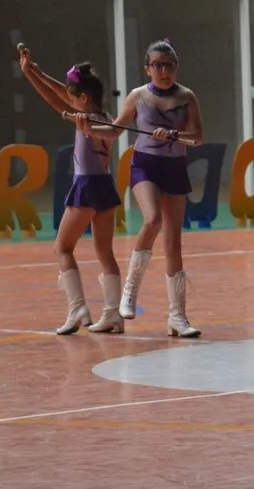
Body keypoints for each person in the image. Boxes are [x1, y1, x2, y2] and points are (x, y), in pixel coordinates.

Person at [78, 38, 203, 337]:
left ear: (176, 67)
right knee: (152, 219)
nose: (164, 71)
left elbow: (198, 137)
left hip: (175, 167)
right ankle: (130, 291)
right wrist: (88, 127)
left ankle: (177, 317)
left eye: (169, 65)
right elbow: (115, 130)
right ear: (147, 69)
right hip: (145, 165)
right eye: (157, 66)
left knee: (173, 242)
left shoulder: (187, 97)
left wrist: (174, 134)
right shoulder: (138, 96)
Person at [18, 47, 123, 335]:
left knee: (63, 248)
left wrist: (30, 77)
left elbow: (54, 100)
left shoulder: (86, 119)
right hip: (105, 186)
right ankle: (113, 314)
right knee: (105, 252)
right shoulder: (103, 114)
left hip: (87, 186)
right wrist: (37, 72)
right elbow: (64, 94)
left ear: (83, 99)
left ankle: (77, 308)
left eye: (74, 98)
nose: (70, 100)